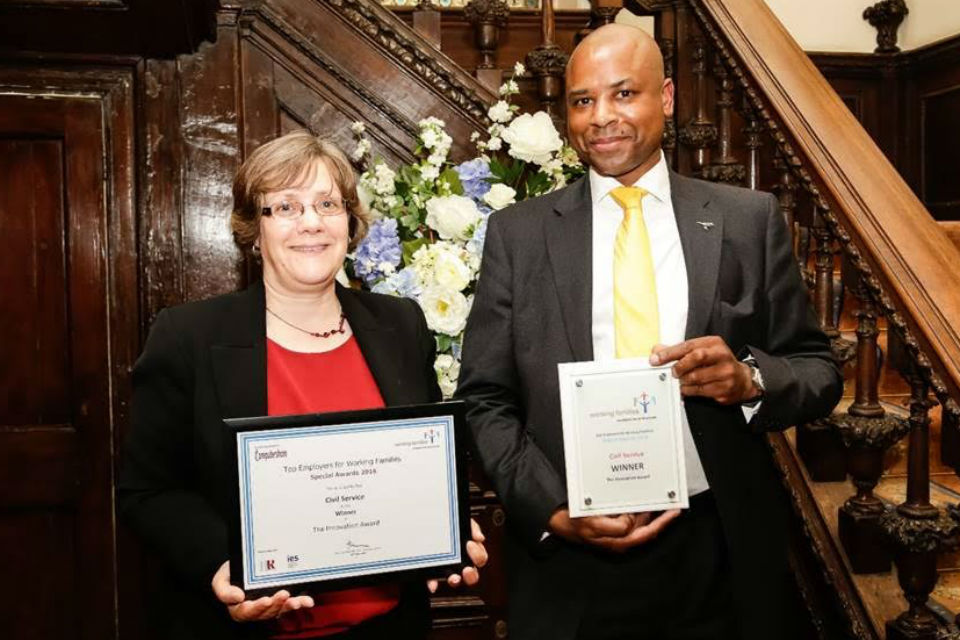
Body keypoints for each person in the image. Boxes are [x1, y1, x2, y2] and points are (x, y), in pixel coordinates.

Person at [456, 23, 842, 640]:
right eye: (582, 101)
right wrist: (552, 510)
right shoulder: (519, 235)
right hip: (571, 563)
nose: (601, 117)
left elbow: (817, 369)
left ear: (665, 97)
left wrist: (750, 380)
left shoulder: (747, 220)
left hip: (717, 549)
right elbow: (485, 398)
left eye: (622, 94)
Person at [120, 130, 487, 640]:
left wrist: (443, 526)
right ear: (254, 230)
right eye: (286, 207)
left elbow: (421, 462)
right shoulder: (188, 337)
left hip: (388, 627)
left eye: (327, 204)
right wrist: (222, 564)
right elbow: (149, 491)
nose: (311, 222)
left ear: (349, 221)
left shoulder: (400, 325)